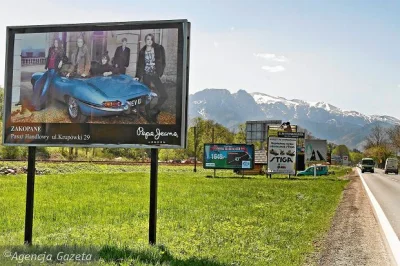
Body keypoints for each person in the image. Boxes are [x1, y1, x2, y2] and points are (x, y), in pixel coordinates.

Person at [135, 33, 167, 122]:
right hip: (146, 74)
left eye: (151, 39)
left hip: (155, 74)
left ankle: (154, 110)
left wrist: (161, 73)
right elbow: (140, 65)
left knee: (164, 95)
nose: (149, 41)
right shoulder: (142, 51)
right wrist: (137, 76)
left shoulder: (158, 48)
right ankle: (148, 115)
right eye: (147, 39)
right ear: (145, 40)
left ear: (153, 40)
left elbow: (163, 62)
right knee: (147, 95)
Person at [32, 37, 64, 110]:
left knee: (45, 87)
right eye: (55, 42)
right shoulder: (51, 49)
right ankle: (34, 102)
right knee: (37, 82)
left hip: (54, 70)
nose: (56, 44)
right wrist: (46, 66)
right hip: (49, 69)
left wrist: (61, 61)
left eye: (57, 42)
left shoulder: (61, 51)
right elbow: (48, 58)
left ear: (59, 43)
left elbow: (65, 58)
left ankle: (40, 105)